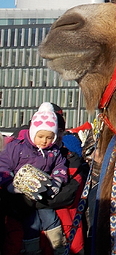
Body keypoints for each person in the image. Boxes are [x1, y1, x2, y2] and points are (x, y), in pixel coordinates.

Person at [0, 102, 69, 255]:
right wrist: (9, 185)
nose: (45, 141)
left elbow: (60, 167)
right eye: (41, 137)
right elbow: (3, 166)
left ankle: (59, 247)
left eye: (49, 137)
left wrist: (57, 180)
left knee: (50, 218)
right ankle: (32, 250)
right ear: (33, 133)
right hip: (22, 194)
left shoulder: (54, 151)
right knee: (32, 223)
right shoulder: (17, 147)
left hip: (43, 192)